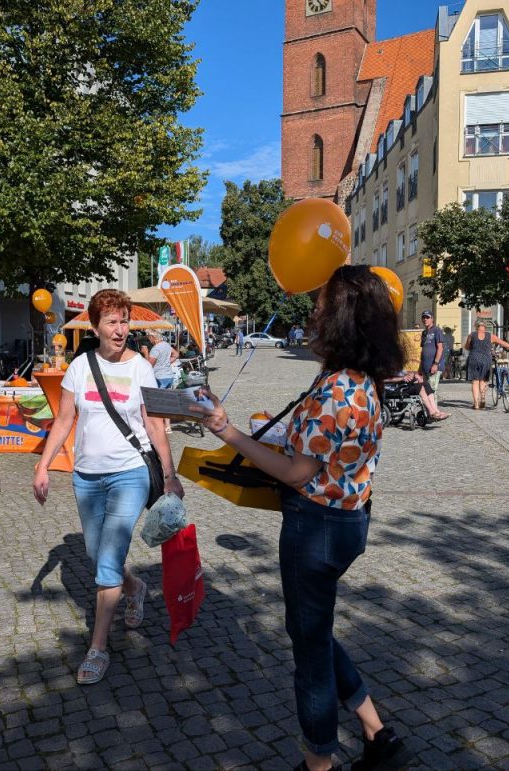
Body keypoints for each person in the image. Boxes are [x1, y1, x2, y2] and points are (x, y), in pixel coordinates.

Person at [192, 266, 413, 771]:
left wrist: (227, 432)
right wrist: (279, 434)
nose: (313, 311)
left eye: (322, 303)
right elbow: (325, 454)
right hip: (350, 520)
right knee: (312, 628)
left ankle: (320, 764)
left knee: (310, 651)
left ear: (342, 317)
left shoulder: (336, 390)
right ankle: (378, 733)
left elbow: (296, 473)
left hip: (315, 528)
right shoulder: (361, 382)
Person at [32, 289, 183, 686]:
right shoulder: (80, 367)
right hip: (86, 475)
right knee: (97, 552)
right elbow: (64, 420)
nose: (120, 330)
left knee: (108, 559)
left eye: (124, 321)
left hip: (130, 472)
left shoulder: (142, 369)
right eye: (112, 322)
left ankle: (98, 647)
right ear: (95, 326)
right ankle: (136, 588)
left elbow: (154, 425)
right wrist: (43, 465)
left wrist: (169, 474)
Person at [464, 321, 509, 409]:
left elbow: (467, 347)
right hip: (486, 359)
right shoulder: (490, 336)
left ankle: (476, 404)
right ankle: (482, 398)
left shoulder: (471, 335)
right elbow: (502, 343)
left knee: (475, 382)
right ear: (485, 327)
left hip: (474, 358)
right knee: (483, 380)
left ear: (476, 326)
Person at [418, 311, 444, 397]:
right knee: (425, 391)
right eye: (423, 317)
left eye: (427, 317)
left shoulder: (437, 330)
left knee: (431, 391)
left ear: (432, 319)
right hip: (425, 367)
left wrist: (435, 364)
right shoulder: (424, 333)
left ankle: (433, 410)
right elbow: (423, 350)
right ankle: (428, 410)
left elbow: (440, 348)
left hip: (434, 366)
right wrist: (420, 367)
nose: (425, 319)